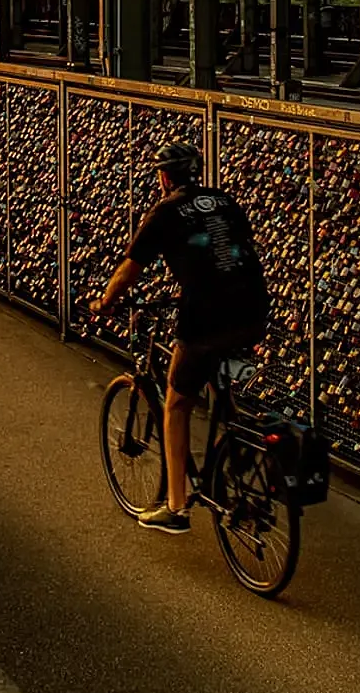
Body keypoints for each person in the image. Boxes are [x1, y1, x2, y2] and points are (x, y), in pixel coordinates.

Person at [91, 141, 268, 534]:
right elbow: (229, 253)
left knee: (175, 404)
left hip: (207, 317)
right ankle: (237, 444)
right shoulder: (224, 201)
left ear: (165, 177)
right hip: (254, 308)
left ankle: (175, 508)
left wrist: (104, 302)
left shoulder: (165, 211)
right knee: (218, 375)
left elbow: (130, 268)